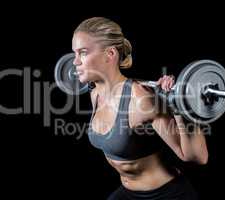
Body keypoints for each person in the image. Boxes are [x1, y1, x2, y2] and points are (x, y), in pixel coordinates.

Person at [72, 17, 208, 200]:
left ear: (110, 54)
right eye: (74, 53)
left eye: (83, 53)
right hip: (128, 193)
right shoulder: (95, 94)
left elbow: (195, 157)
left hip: (168, 194)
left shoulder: (140, 99)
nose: (75, 62)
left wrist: (181, 106)